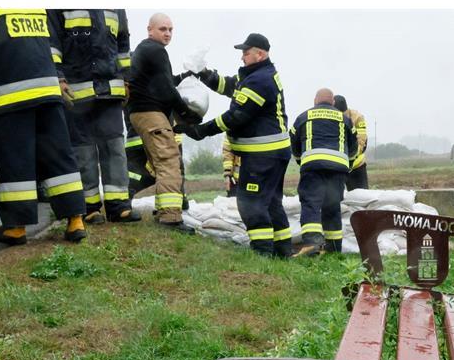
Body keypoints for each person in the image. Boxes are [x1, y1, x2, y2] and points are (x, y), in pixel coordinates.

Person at [0, 9, 87, 245]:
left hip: (11, 94)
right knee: (59, 157)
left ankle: (16, 228)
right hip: (48, 91)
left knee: (15, 162)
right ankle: (75, 221)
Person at [179, 33, 292, 257]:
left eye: (246, 53)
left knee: (250, 202)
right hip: (272, 153)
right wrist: (203, 73)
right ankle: (282, 251)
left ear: (260, 54)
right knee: (271, 203)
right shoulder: (257, 75)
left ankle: (262, 253)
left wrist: (201, 130)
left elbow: (237, 116)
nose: (242, 57)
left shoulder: (260, 81)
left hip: (263, 155)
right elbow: (229, 85)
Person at [52, 9, 140, 225]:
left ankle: (118, 206)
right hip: (76, 93)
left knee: (115, 148)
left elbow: (123, 44)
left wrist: (126, 79)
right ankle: (89, 208)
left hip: (109, 91)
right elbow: (52, 44)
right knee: (83, 151)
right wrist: (59, 77)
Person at [127, 13, 192, 230]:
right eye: (163, 29)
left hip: (140, 113)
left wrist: (183, 77)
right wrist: (186, 112)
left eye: (170, 30)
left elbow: (161, 82)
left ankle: (159, 210)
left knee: (156, 166)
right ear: (150, 29)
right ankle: (171, 219)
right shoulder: (156, 50)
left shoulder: (145, 50)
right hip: (151, 113)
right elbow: (165, 89)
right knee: (169, 161)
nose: (167, 33)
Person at [289, 88, 356, 257]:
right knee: (332, 207)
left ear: (315, 100)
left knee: (311, 204)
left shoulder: (303, 117)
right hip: (338, 169)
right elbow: (354, 148)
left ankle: (313, 244)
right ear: (333, 102)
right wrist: (347, 165)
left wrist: (300, 160)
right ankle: (334, 249)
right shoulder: (345, 119)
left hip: (313, 167)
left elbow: (294, 144)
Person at [333, 95, 369, 191]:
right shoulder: (329, 118)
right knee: (333, 200)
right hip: (335, 166)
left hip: (356, 165)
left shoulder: (357, 117)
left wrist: (351, 160)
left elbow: (362, 142)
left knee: (362, 198)